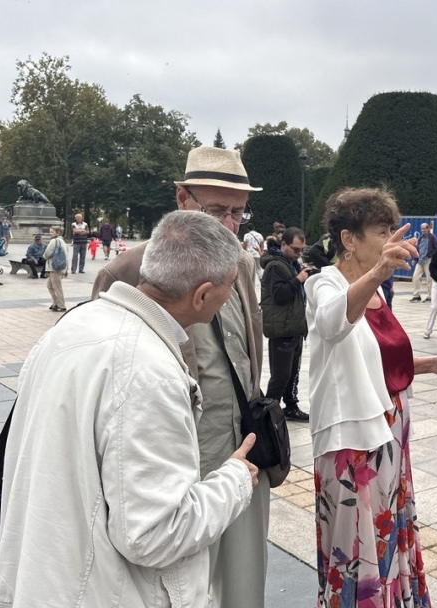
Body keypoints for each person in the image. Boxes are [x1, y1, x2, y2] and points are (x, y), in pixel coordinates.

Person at [0, 210, 259, 608]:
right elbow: (153, 534)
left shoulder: (75, 324)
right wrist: (235, 480)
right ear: (202, 295)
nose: (229, 297)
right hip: (103, 591)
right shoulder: (148, 369)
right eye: (228, 288)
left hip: (47, 577)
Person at [91, 146, 276, 608]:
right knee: (177, 584)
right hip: (172, 460)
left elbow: (249, 352)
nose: (229, 226)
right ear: (181, 198)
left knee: (244, 581)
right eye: (216, 210)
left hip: (242, 448)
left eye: (237, 212)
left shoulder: (246, 265)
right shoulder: (127, 271)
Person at [306, 187, 437, 608]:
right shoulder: (325, 284)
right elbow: (331, 323)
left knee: (385, 533)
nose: (392, 240)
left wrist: (430, 364)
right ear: (348, 239)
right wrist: (379, 271)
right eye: (381, 231)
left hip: (390, 429)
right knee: (356, 540)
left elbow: (378, 362)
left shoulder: (376, 292)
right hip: (352, 435)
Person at [259, 226, 311, 423]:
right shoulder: (275, 266)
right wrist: (298, 279)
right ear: (283, 244)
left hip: (293, 326)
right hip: (281, 328)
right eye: (295, 249)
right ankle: (268, 413)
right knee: (280, 376)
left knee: (292, 373)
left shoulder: (291, 263)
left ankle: (290, 406)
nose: (299, 254)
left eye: (301, 250)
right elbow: (280, 295)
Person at [410, 222, 437, 302]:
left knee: (429, 279)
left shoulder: (432, 237)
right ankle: (416, 295)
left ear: (428, 229)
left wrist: (431, 256)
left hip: (428, 260)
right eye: (422, 228)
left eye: (424, 228)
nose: (423, 230)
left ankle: (430, 296)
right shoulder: (420, 238)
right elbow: (417, 249)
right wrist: (415, 259)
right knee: (415, 277)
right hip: (420, 260)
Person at [43, 227, 68, 312]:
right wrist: (66, 268)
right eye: (50, 232)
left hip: (54, 267)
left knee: (57, 287)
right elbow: (66, 255)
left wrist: (44, 256)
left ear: (57, 233)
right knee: (50, 285)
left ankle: (61, 305)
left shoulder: (54, 241)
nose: (50, 233)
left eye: (52, 232)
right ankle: (55, 302)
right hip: (60, 266)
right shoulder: (63, 242)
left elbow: (47, 253)